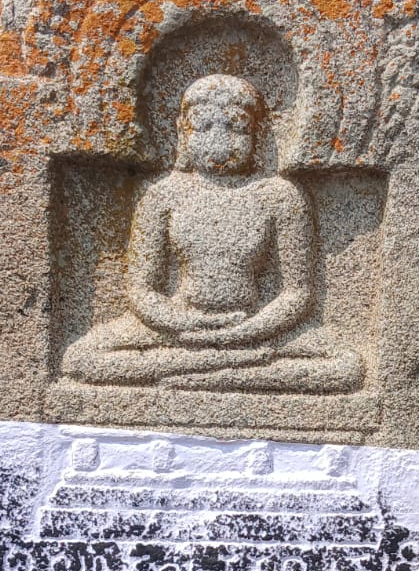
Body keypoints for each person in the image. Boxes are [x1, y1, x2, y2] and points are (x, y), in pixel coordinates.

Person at [62, 74, 363, 392]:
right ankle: (226, 369)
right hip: (180, 325)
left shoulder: (279, 196)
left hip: (255, 325)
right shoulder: (163, 196)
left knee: (346, 366)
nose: (220, 144)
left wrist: (247, 331)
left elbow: (296, 294)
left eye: (236, 128)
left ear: (257, 133)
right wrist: (185, 324)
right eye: (204, 128)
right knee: (80, 359)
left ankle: (198, 370)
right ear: (182, 131)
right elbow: (141, 291)